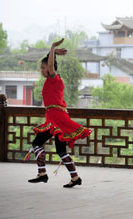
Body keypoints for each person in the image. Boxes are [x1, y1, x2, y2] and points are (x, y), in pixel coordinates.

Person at [26, 38, 92, 188]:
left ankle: (42, 174)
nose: (42, 71)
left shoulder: (54, 79)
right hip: (55, 117)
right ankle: (75, 178)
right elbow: (50, 63)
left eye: (43, 68)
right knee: (61, 150)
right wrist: (53, 52)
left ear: (50, 69)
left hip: (56, 118)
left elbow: (50, 65)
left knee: (37, 143)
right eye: (41, 68)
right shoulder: (50, 81)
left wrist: (52, 47)